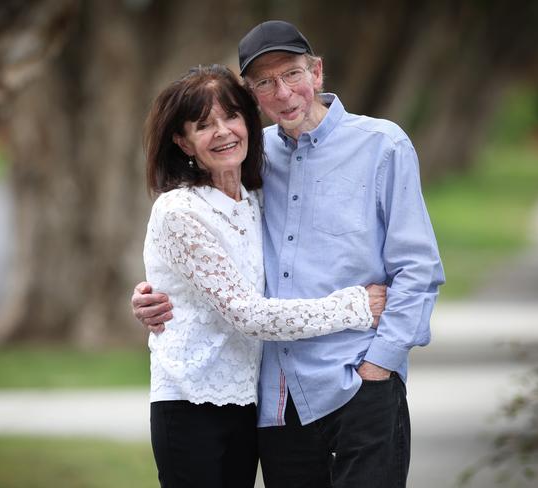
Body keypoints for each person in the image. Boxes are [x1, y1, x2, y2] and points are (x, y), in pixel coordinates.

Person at [134, 21, 445, 488]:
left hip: (359, 381)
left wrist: (381, 363)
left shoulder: (383, 145)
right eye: (264, 82)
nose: (283, 93)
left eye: (293, 74)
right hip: (278, 404)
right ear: (251, 94)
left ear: (317, 73)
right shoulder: (254, 161)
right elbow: (217, 260)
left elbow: (418, 269)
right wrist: (155, 294)